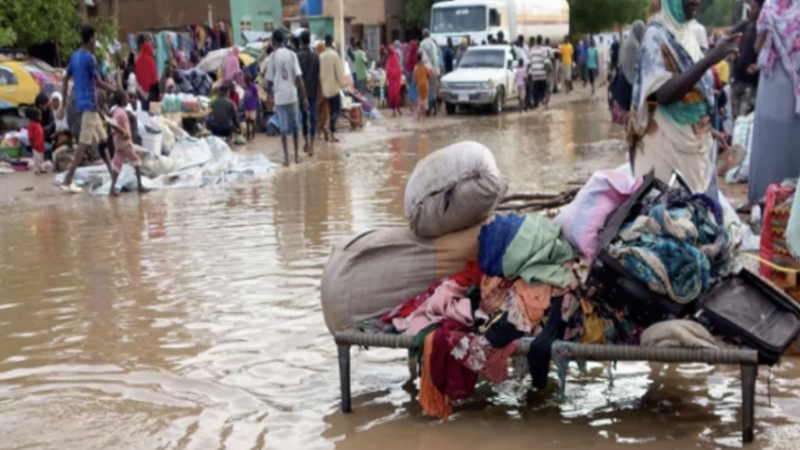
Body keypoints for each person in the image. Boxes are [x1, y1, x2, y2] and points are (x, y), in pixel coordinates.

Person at [629, 0, 739, 194]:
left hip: (696, 148)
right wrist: (709, 60)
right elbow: (663, 94)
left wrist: (709, 129)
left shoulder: (688, 35)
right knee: (668, 214)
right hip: (665, 148)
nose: (697, 1)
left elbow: (694, 90)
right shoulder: (655, 36)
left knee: (700, 214)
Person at [746, 0, 800, 207]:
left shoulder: (769, 7)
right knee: (794, 139)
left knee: (767, 138)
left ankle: (762, 197)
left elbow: (759, 45)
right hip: (795, 81)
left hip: (772, 80)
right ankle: (793, 200)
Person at [60, 25, 116, 193]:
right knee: (83, 143)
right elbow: (98, 82)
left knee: (102, 140)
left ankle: (113, 175)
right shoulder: (90, 58)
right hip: (90, 105)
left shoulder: (75, 56)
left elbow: (64, 79)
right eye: (95, 39)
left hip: (85, 104)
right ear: (91, 39)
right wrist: (115, 90)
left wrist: (63, 103)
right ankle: (68, 178)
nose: (95, 42)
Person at [265, 29, 309, 167]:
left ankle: (286, 160)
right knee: (295, 126)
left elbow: (269, 81)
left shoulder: (272, 57)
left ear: (274, 41)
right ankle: (296, 156)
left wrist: (268, 96)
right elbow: (299, 78)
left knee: (283, 129)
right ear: (284, 40)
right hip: (292, 96)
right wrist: (305, 97)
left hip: (279, 98)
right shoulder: (292, 54)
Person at [731, 0, 765, 118]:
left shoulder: (764, 29)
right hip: (737, 80)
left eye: (753, 7)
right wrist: (733, 52)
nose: (750, 10)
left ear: (761, 10)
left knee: (743, 119)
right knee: (736, 117)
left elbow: (770, 55)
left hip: (751, 85)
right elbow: (730, 35)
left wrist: (757, 66)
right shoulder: (746, 25)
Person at [108, 90, 145, 195]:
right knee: (137, 161)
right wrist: (123, 132)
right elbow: (113, 124)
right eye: (126, 98)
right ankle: (140, 186)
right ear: (122, 100)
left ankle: (112, 189)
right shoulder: (120, 112)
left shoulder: (118, 111)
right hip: (124, 142)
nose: (128, 99)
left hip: (119, 143)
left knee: (117, 165)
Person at [610, 20, 645, 125]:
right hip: (629, 82)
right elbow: (635, 66)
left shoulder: (626, 42)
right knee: (632, 115)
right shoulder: (633, 45)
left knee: (628, 117)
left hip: (622, 79)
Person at [320, 35, 348, 143]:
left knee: (330, 111)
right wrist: (343, 84)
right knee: (336, 111)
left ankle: (330, 133)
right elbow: (339, 72)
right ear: (331, 43)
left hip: (325, 89)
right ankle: (329, 127)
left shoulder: (321, 56)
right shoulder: (334, 55)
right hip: (334, 89)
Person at [296, 31, 320, 155]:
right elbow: (319, 76)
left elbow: (296, 77)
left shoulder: (297, 56)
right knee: (313, 118)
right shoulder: (316, 57)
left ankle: (305, 142)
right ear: (309, 41)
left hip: (302, 93)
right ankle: (312, 145)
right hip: (313, 92)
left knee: (304, 119)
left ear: (300, 41)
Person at [420, 30, 440, 114]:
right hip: (434, 70)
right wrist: (437, 72)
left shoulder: (422, 44)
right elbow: (436, 58)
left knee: (426, 90)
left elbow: (421, 57)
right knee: (433, 89)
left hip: (426, 70)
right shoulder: (433, 44)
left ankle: (428, 110)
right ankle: (434, 106)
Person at [135, 42, 159, 112]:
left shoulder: (138, 61)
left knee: (145, 111)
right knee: (155, 112)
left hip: (142, 91)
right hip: (152, 90)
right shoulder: (151, 60)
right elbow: (154, 75)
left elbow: (137, 76)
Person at [528, 36, 549, 109]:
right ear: (542, 41)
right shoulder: (543, 50)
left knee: (535, 90)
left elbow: (529, 61)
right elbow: (546, 62)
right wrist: (546, 71)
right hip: (542, 74)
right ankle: (542, 101)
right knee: (543, 89)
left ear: (536, 41)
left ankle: (536, 104)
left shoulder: (532, 50)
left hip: (534, 74)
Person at [27, 108, 47, 175]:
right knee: (36, 159)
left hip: (41, 145)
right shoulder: (31, 125)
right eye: (39, 115)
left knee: (41, 158)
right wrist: (32, 144)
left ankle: (41, 169)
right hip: (35, 146)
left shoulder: (38, 124)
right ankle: (36, 170)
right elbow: (31, 136)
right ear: (35, 116)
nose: (41, 117)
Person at [386, 45, 403, 117]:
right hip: (392, 81)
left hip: (394, 81)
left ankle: (397, 110)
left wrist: (391, 73)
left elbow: (397, 70)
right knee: (393, 96)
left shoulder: (393, 58)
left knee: (395, 95)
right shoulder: (393, 58)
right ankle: (395, 111)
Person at [413, 53, 430, 121]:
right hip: (425, 85)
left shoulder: (416, 67)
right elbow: (428, 75)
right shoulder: (426, 67)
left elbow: (415, 78)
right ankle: (424, 118)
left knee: (420, 100)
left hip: (419, 85)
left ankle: (418, 117)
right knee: (425, 100)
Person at [243, 73, 258, 142]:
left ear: (249, 80)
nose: (245, 82)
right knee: (247, 122)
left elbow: (256, 96)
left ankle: (253, 136)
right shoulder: (245, 87)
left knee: (252, 122)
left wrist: (255, 104)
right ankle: (248, 136)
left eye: (246, 81)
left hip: (252, 107)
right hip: (246, 107)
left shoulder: (253, 87)